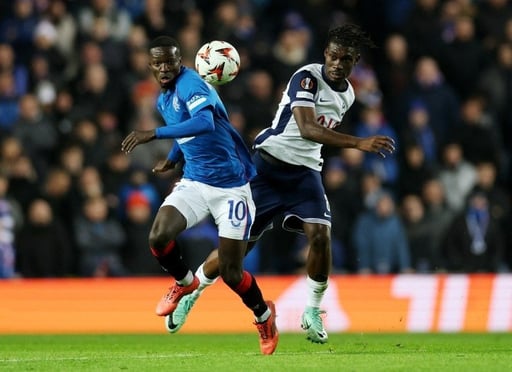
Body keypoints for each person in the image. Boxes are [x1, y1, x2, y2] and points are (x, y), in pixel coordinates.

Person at [168, 24, 396, 343]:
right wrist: (358, 143)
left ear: (354, 61)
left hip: (304, 174)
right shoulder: (306, 77)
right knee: (237, 250)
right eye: (331, 55)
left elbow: (315, 139)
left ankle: (313, 310)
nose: (336, 63)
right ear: (325, 54)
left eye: (344, 58)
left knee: (320, 237)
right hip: (267, 167)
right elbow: (306, 128)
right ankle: (195, 292)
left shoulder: (349, 94)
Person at [120, 36, 278, 355]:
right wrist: (176, 157)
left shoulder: (192, 83)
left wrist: (154, 134)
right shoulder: (163, 99)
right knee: (159, 236)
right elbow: (189, 127)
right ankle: (184, 281)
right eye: (158, 63)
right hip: (195, 180)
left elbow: (204, 123)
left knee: (232, 273)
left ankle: (264, 315)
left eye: (170, 62)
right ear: (149, 65)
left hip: (232, 187)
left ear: (181, 61)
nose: (164, 68)